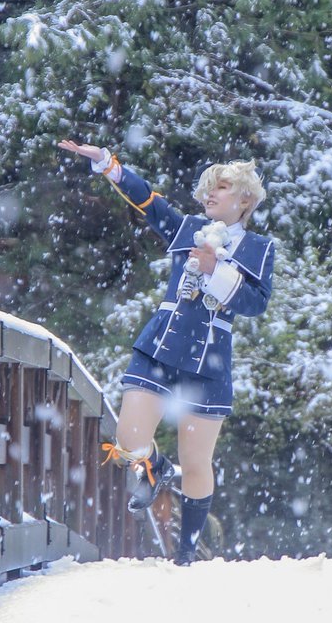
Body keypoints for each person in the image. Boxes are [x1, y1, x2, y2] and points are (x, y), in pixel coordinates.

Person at [58, 139, 275, 565]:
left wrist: (216, 272)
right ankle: (156, 468)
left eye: (222, 187)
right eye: (209, 188)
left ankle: (186, 554)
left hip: (209, 363)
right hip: (161, 345)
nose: (210, 194)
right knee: (128, 440)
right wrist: (107, 164)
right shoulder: (188, 228)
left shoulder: (258, 249)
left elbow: (256, 303)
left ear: (245, 200)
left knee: (196, 463)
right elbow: (148, 202)